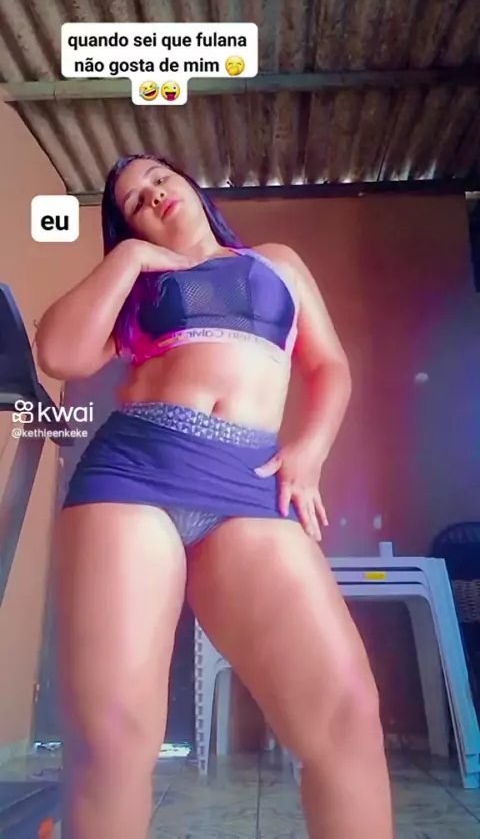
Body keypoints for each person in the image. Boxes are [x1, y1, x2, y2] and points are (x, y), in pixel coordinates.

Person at [36, 154, 394, 839]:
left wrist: (311, 450)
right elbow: (59, 353)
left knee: (347, 716)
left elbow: (329, 365)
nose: (152, 195)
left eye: (158, 178)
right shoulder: (137, 283)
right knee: (112, 740)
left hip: (247, 484)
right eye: (133, 202)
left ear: (188, 184)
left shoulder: (276, 263)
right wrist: (131, 258)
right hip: (134, 475)